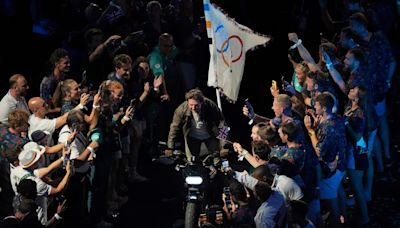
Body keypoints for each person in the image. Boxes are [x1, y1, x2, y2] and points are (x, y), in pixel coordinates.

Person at [167, 88, 225, 160]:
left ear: (202, 102)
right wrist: (170, 147)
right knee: (191, 162)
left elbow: (222, 124)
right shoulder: (181, 109)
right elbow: (174, 128)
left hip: (210, 136)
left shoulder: (210, 106)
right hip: (192, 137)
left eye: (196, 105)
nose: (193, 108)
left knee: (217, 160)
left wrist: (224, 146)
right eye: (191, 105)